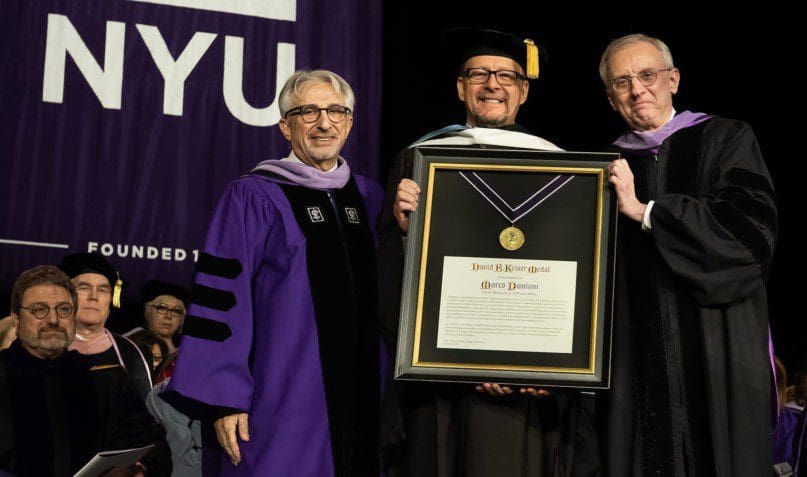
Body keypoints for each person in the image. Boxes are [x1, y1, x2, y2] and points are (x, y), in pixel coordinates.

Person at [378, 28, 598, 476]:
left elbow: (577, 275)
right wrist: (404, 234)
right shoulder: (423, 160)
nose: (492, 84)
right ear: (461, 87)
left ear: (523, 91)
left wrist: (549, 370)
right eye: (479, 74)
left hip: (529, 394)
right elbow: (387, 277)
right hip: (440, 388)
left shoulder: (560, 169)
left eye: (506, 76)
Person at [165, 69, 384, 475]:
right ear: (286, 125)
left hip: (365, 398)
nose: (324, 123)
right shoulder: (254, 195)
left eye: (337, 111)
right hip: (281, 397)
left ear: (350, 122)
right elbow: (223, 300)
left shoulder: (369, 197)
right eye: (309, 112)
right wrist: (225, 397)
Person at [598, 33, 777, 476]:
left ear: (673, 79)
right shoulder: (604, 166)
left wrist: (646, 212)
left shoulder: (726, 138)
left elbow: (748, 239)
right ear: (610, 97)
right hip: (633, 360)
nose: (637, 89)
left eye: (647, 75)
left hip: (718, 352)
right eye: (621, 82)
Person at [0, 265, 171, 476]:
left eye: (63, 309)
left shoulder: (103, 377)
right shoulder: (3, 373)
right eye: (39, 309)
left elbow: (151, 444)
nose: (53, 320)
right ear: (16, 319)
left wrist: (140, 469)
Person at [58, 253, 153, 401]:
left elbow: (144, 415)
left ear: (111, 299)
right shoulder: (46, 344)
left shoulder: (129, 352)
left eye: (103, 290)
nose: (93, 296)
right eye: (84, 288)